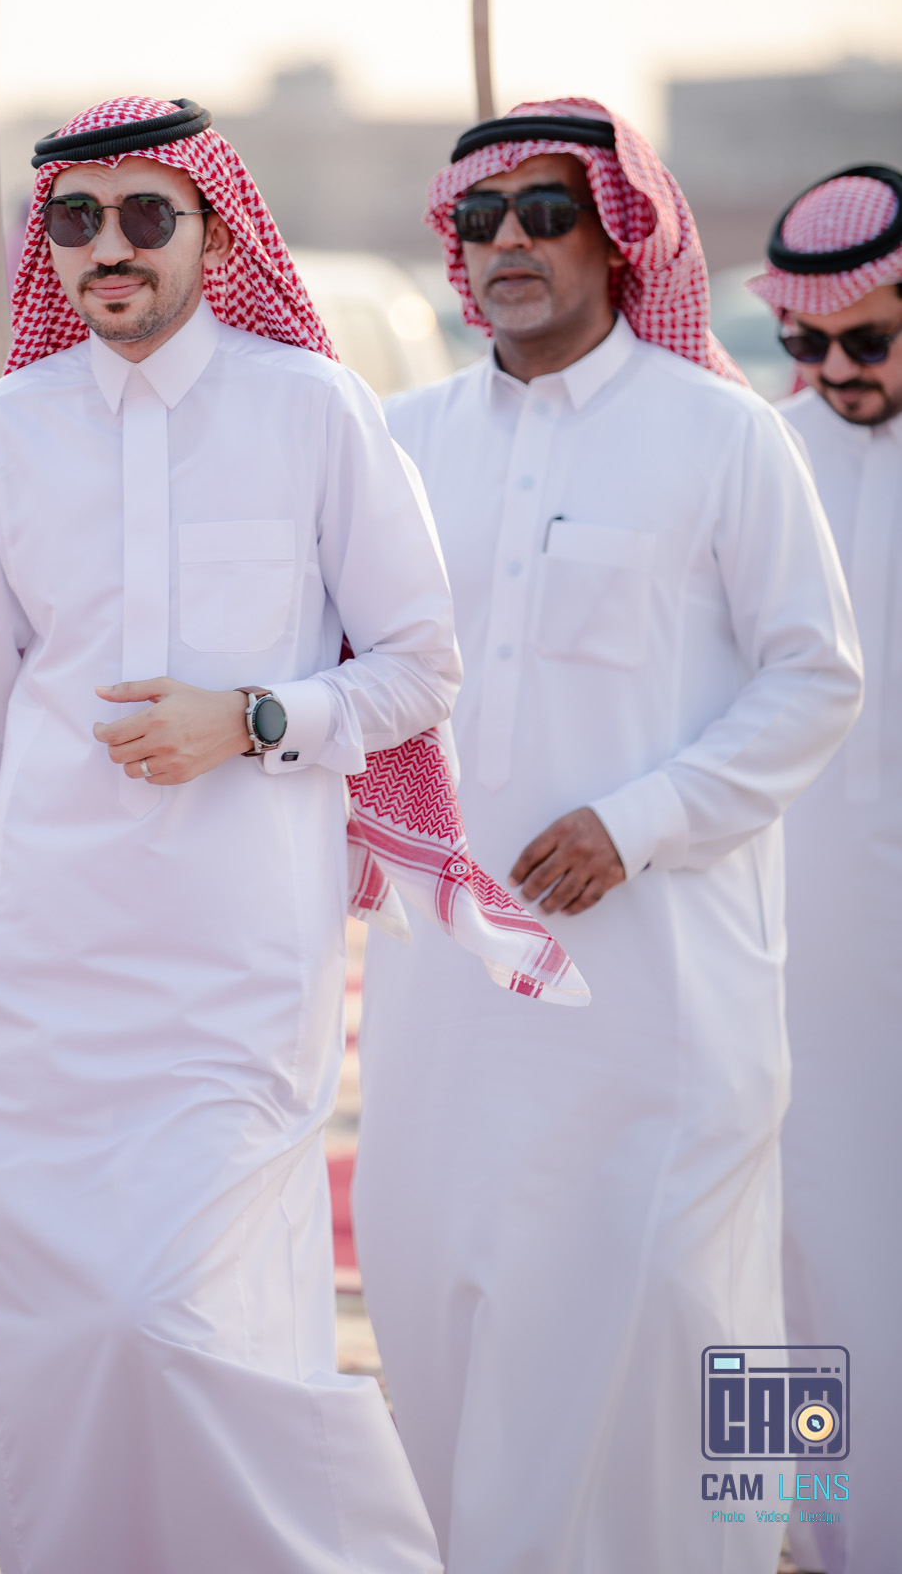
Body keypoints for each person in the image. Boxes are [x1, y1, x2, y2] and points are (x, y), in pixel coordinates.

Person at [0, 95, 584, 1574]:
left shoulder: (311, 408)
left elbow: (418, 666)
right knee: (59, 1342)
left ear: (214, 228)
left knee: (173, 1316)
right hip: (44, 982)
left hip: (234, 974)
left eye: (148, 214)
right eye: (77, 220)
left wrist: (254, 720)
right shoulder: (9, 428)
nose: (109, 248)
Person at [352, 98, 863, 1574]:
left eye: (546, 210)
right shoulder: (401, 443)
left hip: (662, 991)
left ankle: (759, 1548)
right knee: (447, 1309)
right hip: (451, 1002)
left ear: (623, 234)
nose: (507, 239)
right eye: (480, 216)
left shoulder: (720, 433)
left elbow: (817, 677)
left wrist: (636, 824)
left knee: (688, 1318)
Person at [747, 166, 902, 1574]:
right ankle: (777, 1532)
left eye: (867, 338)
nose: (833, 368)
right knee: (761, 1260)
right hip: (774, 953)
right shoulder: (763, 457)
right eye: (805, 341)